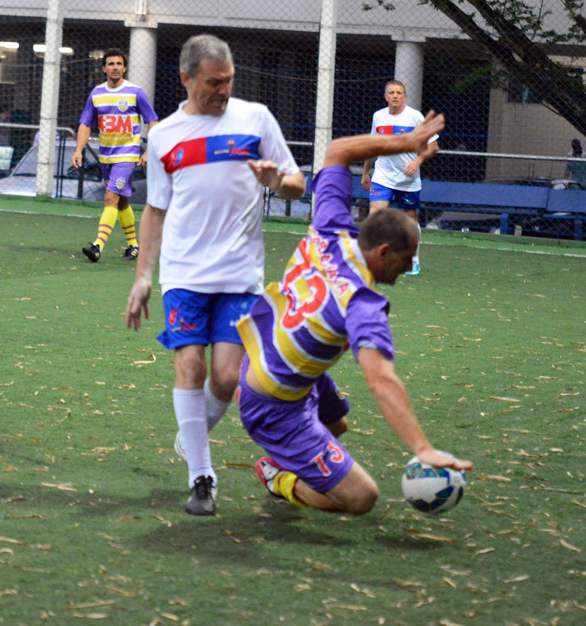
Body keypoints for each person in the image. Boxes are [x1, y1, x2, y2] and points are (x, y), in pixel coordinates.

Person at [236, 112, 473, 516]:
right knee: (362, 498)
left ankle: (299, 451)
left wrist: (406, 142)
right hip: (271, 400)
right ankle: (278, 475)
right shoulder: (361, 303)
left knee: (338, 425)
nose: (408, 266)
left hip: (272, 358)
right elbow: (381, 381)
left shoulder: (330, 228)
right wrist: (423, 448)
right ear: (384, 253)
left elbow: (338, 150)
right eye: (407, 258)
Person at [126, 34, 305, 516]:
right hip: (183, 272)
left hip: (240, 275)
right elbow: (155, 209)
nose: (222, 91)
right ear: (186, 79)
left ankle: (193, 435)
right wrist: (144, 277)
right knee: (191, 366)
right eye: (212, 82)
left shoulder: (256, 118)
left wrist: (276, 183)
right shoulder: (163, 133)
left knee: (226, 378)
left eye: (227, 81)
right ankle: (201, 477)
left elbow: (296, 182)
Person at [72, 49, 158, 263]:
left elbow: (153, 121)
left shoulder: (135, 92)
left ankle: (97, 246)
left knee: (110, 198)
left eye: (119, 63)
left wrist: (148, 151)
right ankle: (134, 246)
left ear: (124, 67)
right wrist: (78, 150)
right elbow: (85, 124)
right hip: (106, 158)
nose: (115, 67)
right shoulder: (96, 94)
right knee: (121, 201)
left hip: (127, 157)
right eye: (110, 64)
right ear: (104, 68)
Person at [361, 81, 439, 276]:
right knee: (374, 214)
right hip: (382, 176)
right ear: (386, 96)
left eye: (399, 93)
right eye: (391, 93)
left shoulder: (415, 117)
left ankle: (413, 259)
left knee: (409, 219)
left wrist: (417, 162)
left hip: (407, 180)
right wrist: (365, 172)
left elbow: (433, 145)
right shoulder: (378, 117)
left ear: (405, 97)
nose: (395, 96)